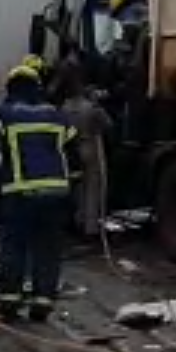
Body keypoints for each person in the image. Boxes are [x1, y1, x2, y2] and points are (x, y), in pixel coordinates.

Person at [0, 63, 75, 322]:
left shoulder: (4, 114)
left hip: (20, 193)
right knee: (48, 248)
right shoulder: (55, 114)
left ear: (11, 87)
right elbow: (74, 151)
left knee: (14, 246)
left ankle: (10, 301)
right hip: (55, 193)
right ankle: (42, 303)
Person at [56, 61, 111, 239]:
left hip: (71, 150)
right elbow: (108, 125)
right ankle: (91, 228)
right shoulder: (90, 107)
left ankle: (77, 221)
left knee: (76, 189)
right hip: (91, 147)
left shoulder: (64, 107)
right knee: (93, 188)